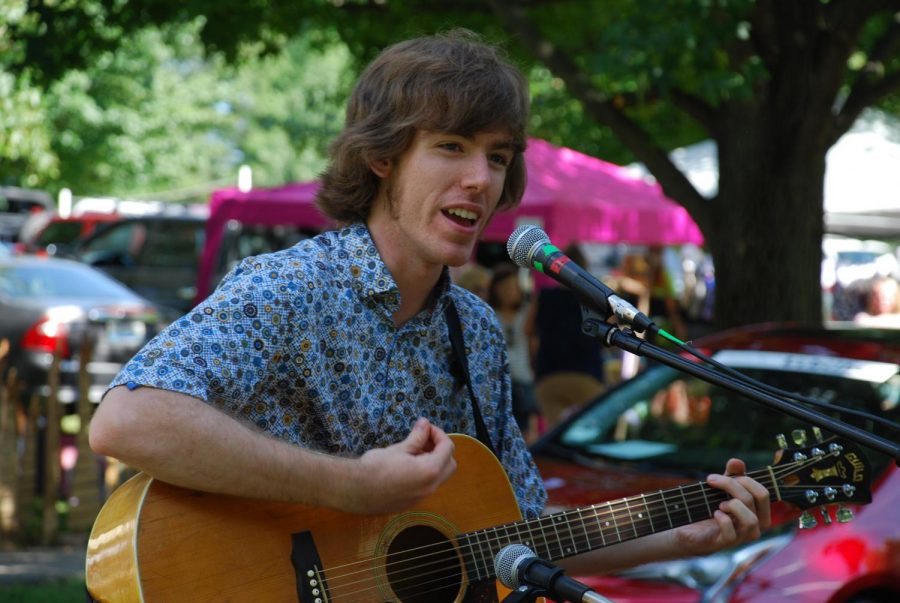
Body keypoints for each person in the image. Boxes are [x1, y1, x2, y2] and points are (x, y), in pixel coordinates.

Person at [90, 29, 769, 581]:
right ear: (383, 157)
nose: (480, 179)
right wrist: (350, 487)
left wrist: (678, 536)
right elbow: (126, 419)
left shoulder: (472, 328)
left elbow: (516, 532)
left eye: (498, 157)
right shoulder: (291, 287)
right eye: (451, 147)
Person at [525, 243, 607, 428]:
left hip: (549, 375)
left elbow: (528, 331)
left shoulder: (544, 296)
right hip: (588, 375)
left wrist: (533, 360)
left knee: (556, 436)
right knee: (589, 434)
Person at [488, 261, 540, 444]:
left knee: (524, 431)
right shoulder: (487, 313)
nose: (509, 291)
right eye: (504, 287)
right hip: (497, 379)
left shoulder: (528, 312)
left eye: (513, 286)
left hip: (524, 377)